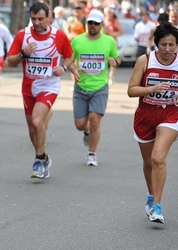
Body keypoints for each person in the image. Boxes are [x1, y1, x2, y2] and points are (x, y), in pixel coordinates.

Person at [127, 21, 178, 224]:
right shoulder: (145, 61)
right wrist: (150, 90)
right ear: (156, 44)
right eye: (163, 44)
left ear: (177, 45)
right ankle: (151, 195)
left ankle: (157, 207)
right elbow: (131, 90)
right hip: (145, 115)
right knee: (148, 162)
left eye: (172, 45)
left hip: (169, 114)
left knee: (158, 158)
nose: (168, 49)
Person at [6, 2, 74, 179]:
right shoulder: (23, 35)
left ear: (49, 17)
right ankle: (43, 156)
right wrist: (23, 54)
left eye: (40, 19)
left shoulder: (58, 36)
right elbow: (10, 61)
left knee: (37, 122)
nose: (36, 22)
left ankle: (38, 160)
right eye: (33, 18)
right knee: (32, 128)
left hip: (49, 85)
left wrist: (64, 68)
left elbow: (69, 55)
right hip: (28, 87)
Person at [68, 9, 120, 166]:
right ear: (86, 23)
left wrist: (115, 62)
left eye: (96, 23)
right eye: (90, 23)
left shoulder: (109, 41)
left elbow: (117, 58)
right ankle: (86, 131)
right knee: (80, 124)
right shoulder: (77, 41)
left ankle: (92, 154)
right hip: (81, 87)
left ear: (102, 25)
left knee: (95, 120)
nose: (92, 26)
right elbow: (68, 60)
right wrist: (73, 69)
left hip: (100, 87)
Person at [103, 6, 124, 85]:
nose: (109, 14)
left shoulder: (115, 21)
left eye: (110, 13)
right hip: (103, 42)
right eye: (107, 13)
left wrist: (112, 34)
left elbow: (121, 31)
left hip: (113, 42)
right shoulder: (103, 21)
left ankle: (111, 74)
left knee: (113, 58)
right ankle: (104, 74)